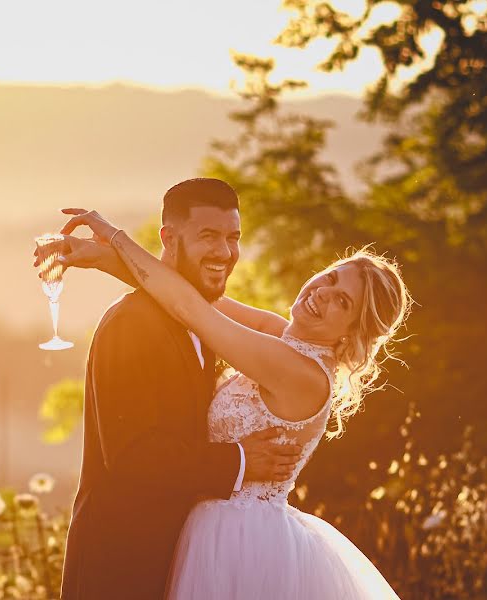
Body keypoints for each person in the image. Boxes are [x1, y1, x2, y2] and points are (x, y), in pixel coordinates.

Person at [56, 200, 411, 599]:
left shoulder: (302, 375)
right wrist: (103, 259)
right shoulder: (288, 338)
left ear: (351, 333)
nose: (323, 293)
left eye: (342, 302)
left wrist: (116, 236)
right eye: (331, 279)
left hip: (241, 542)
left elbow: (191, 309)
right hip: (206, 525)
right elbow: (197, 297)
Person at [52, 179, 303, 599]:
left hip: (181, 562)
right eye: (208, 236)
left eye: (233, 237)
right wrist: (240, 461)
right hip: (122, 568)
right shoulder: (131, 324)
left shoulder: (200, 321)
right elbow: (135, 457)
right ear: (168, 237)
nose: (224, 252)